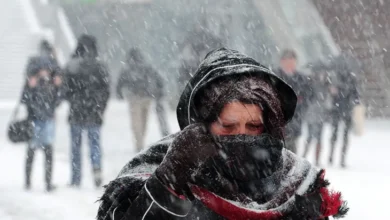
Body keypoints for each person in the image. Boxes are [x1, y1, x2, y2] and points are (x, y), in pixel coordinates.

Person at [97, 48, 348, 220]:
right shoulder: (163, 164)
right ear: (200, 125)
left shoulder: (296, 181)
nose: (242, 137)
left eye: (253, 127)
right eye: (227, 127)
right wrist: (168, 181)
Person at [64, 35, 110, 187]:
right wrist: (100, 108)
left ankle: (76, 178)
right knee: (95, 145)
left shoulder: (71, 66)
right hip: (94, 112)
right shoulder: (100, 67)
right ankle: (97, 172)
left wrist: (73, 100)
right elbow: (106, 91)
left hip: (76, 111)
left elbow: (65, 90)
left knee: (76, 147)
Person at [22, 40, 62, 192]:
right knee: (46, 150)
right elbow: (58, 94)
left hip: (38, 115)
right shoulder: (52, 69)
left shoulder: (34, 68)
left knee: (34, 150)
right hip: (43, 115)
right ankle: (46, 182)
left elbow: (26, 95)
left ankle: (29, 181)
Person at [116, 48, 169, 152]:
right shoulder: (146, 67)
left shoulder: (128, 68)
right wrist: (159, 90)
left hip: (136, 97)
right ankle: (139, 143)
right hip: (145, 97)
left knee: (137, 123)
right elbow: (158, 78)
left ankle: (139, 143)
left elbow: (120, 82)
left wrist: (119, 93)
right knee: (142, 122)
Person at [274, 49, 311, 154]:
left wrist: (300, 104)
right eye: (287, 60)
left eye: (292, 60)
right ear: (282, 61)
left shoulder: (302, 78)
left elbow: (309, 96)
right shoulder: (274, 76)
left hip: (295, 117)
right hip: (277, 119)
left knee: (291, 150)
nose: (290, 63)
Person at [328, 54, 360, 168]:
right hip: (340, 109)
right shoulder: (338, 78)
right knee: (337, 134)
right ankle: (333, 156)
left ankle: (338, 157)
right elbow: (356, 96)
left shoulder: (346, 78)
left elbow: (356, 96)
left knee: (341, 135)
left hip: (344, 109)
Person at [302, 62, 331, 166]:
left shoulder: (326, 83)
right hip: (312, 112)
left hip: (320, 113)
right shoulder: (310, 82)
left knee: (318, 137)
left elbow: (327, 99)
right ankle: (304, 157)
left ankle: (315, 159)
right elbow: (307, 96)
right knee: (310, 136)